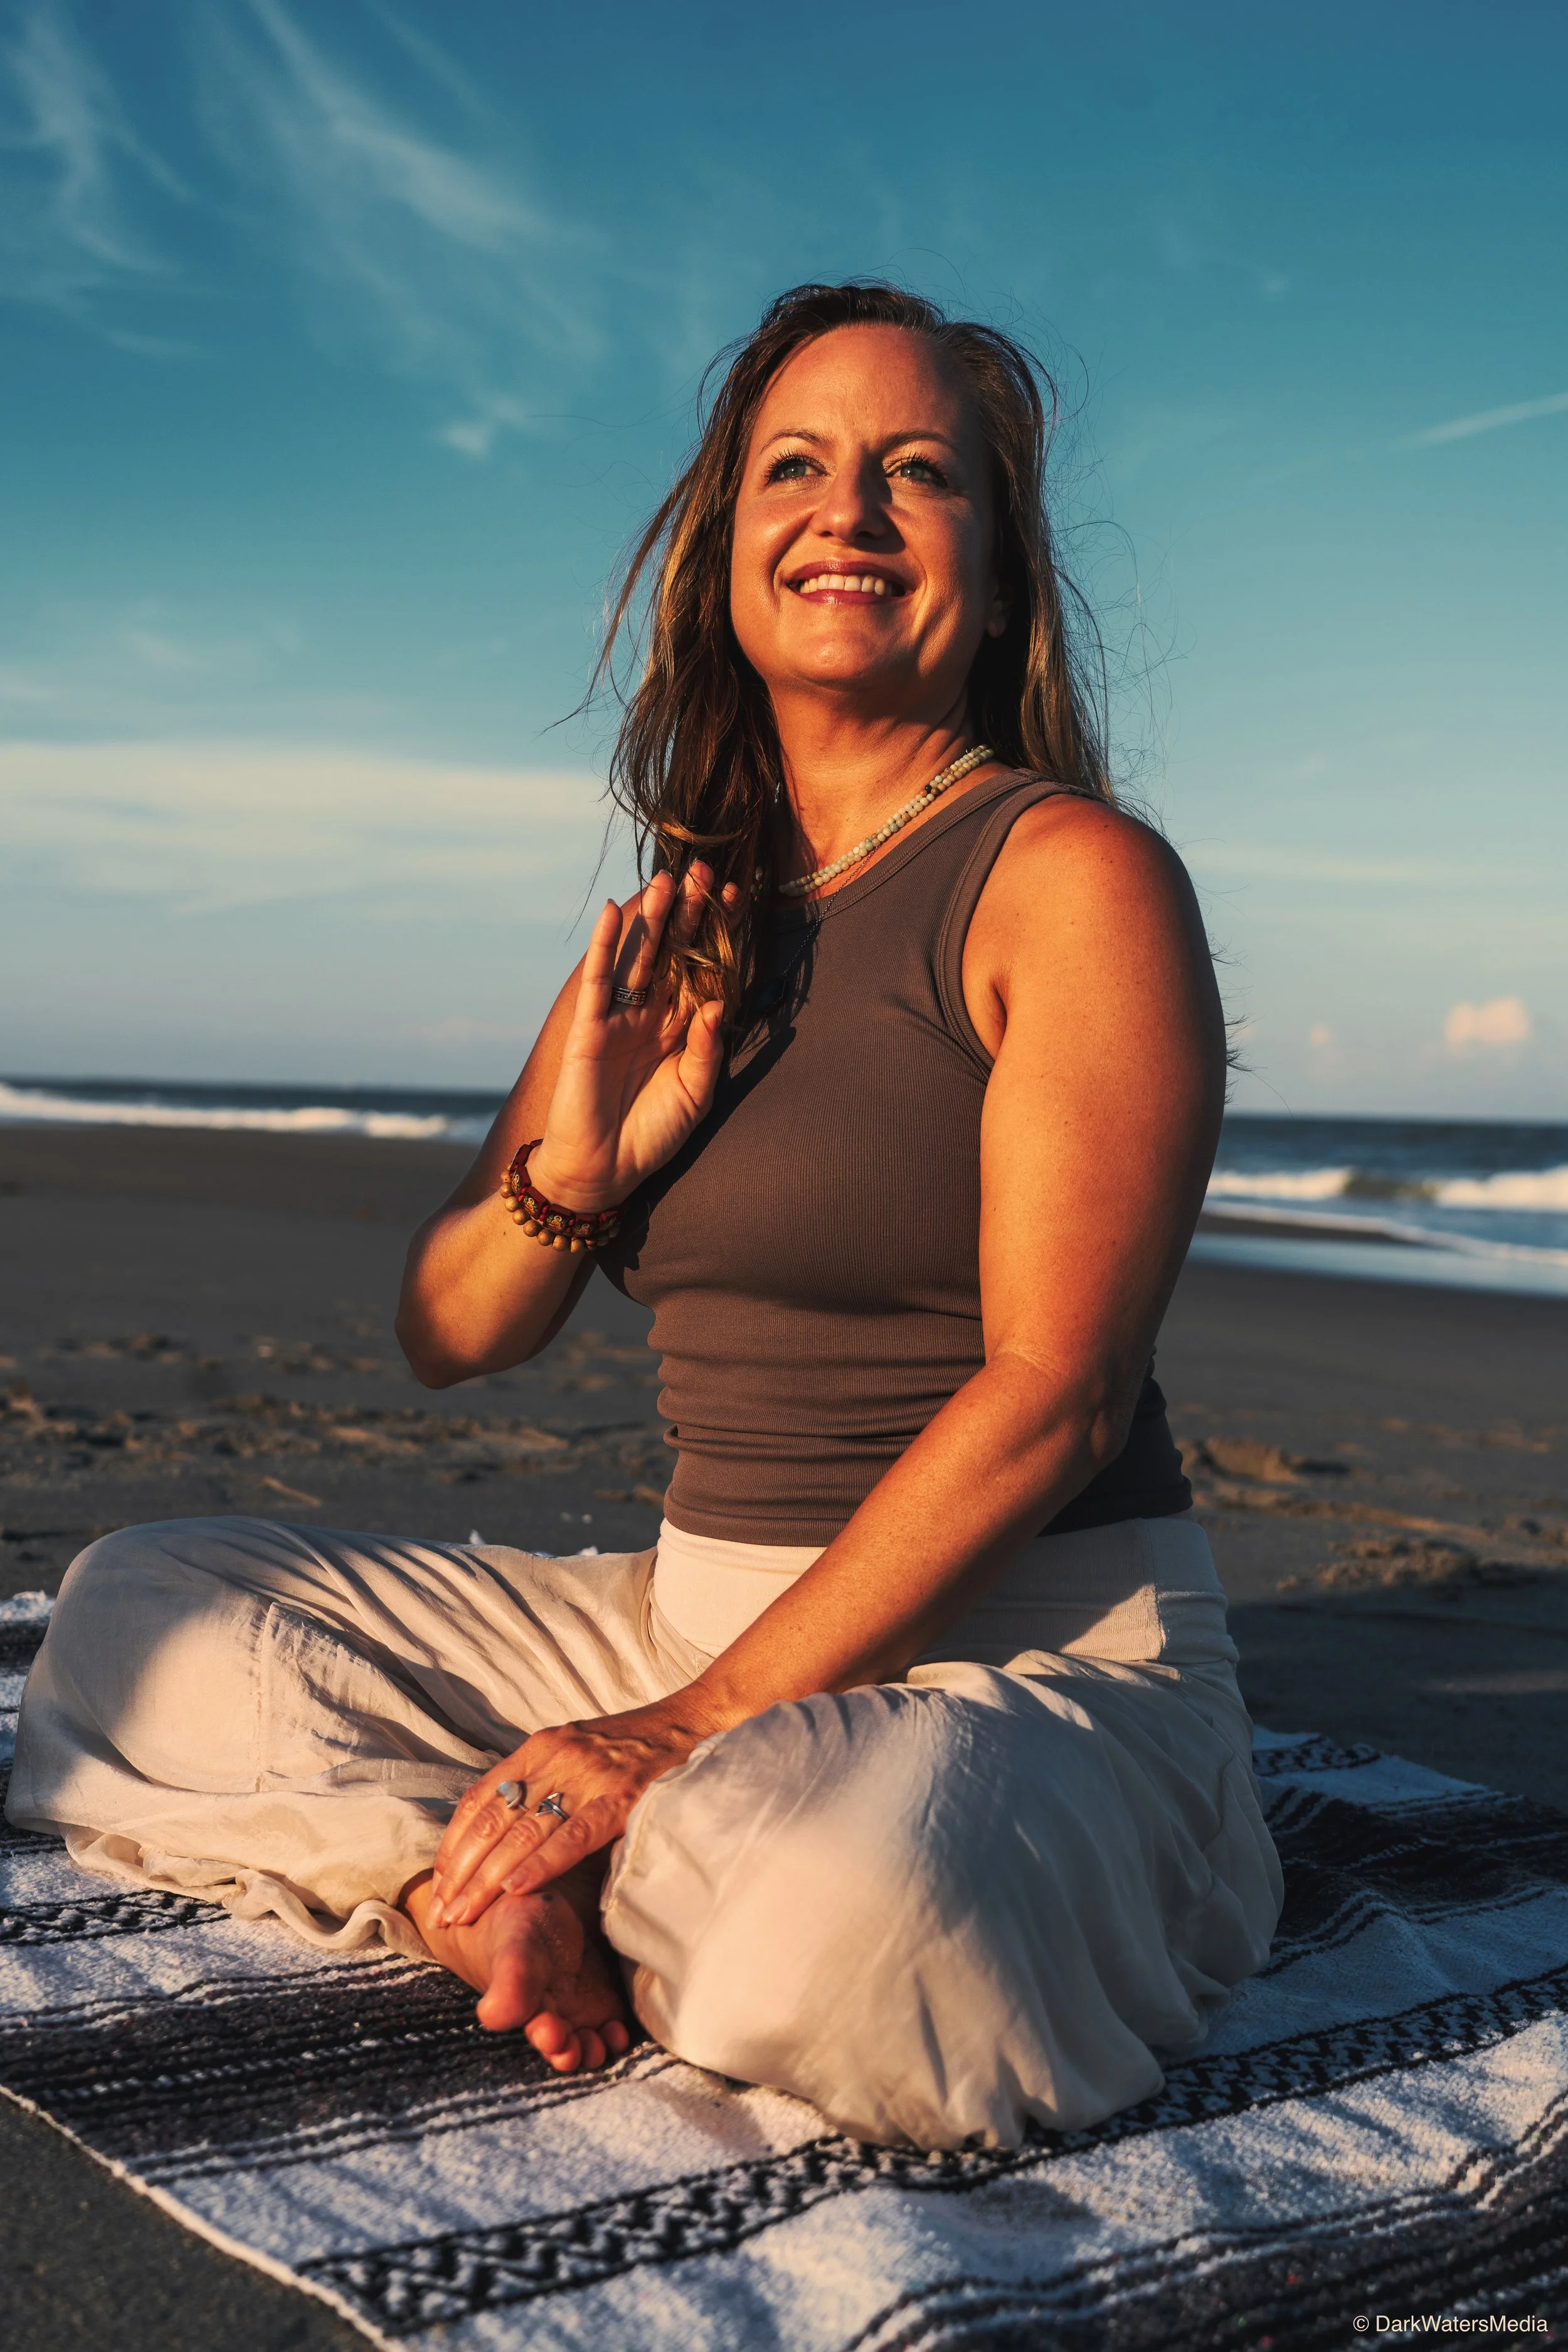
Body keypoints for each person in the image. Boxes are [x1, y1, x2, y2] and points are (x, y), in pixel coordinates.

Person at [8, 282, 1281, 2152]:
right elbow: (450, 1329)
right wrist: (579, 1173)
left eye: (916, 475)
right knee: (139, 1609)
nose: (846, 511)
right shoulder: (686, 921)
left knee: (857, 1913)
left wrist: (669, 1738)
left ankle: (590, 1865)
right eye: (795, 467)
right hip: (678, 1622)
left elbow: (1057, 1395)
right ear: (723, 555)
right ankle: (542, 1874)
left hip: (1025, 1664)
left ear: (998, 579)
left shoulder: (1069, 879)